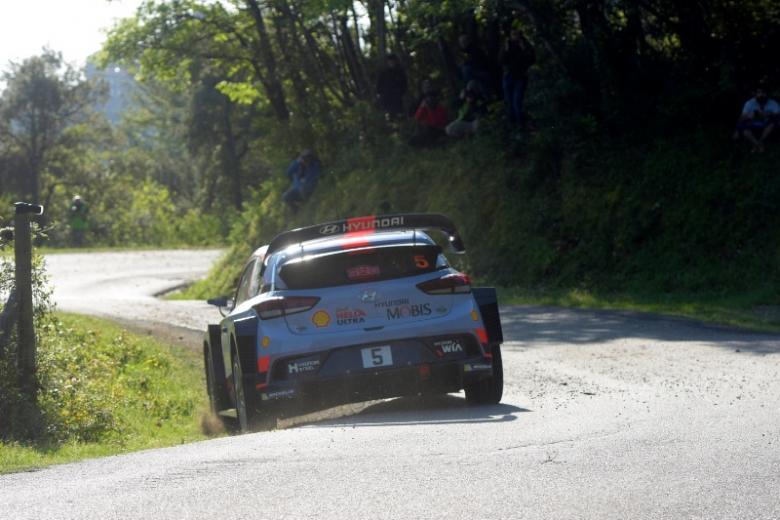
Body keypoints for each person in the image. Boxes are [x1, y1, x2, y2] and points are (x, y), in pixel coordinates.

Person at [499, 28, 536, 134]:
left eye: (517, 34)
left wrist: (523, 48)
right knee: (510, 104)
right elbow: (500, 61)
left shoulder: (525, 45)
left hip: (520, 78)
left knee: (516, 103)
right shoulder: (507, 45)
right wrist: (505, 49)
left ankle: (521, 128)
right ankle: (514, 129)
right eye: (513, 34)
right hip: (508, 77)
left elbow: (531, 59)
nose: (515, 36)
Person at [735, 86, 780, 153]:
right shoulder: (749, 103)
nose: (761, 95)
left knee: (773, 122)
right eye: (759, 92)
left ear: (767, 94)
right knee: (743, 126)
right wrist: (748, 116)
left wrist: (769, 114)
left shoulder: (773, 103)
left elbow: (778, 115)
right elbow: (741, 118)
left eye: (763, 92)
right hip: (753, 125)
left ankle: (760, 141)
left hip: (767, 126)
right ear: (755, 94)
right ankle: (757, 144)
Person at [376, 54, 408, 119]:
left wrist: (402, 92)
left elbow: (404, 84)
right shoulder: (384, 73)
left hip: (398, 97)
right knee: (389, 114)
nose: (391, 63)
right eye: (390, 61)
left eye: (393, 61)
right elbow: (379, 85)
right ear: (388, 62)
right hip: (387, 97)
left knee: (399, 114)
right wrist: (379, 93)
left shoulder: (400, 72)